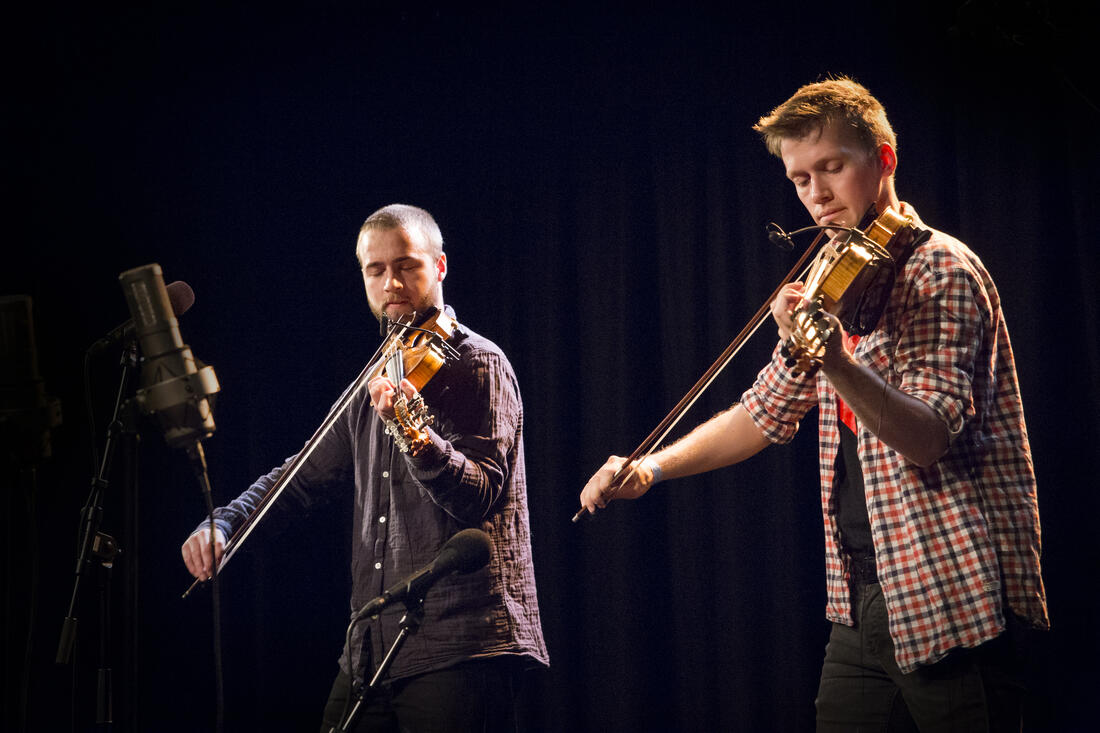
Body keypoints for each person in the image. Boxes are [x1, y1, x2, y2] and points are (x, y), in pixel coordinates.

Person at [579, 78, 1048, 731]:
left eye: (832, 168)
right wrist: (650, 468)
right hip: (857, 604)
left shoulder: (941, 271)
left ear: (883, 159)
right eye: (800, 179)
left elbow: (929, 436)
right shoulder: (831, 279)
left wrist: (833, 357)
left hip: (950, 594)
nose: (817, 196)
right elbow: (762, 412)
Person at [182, 203, 548, 732]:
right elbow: (301, 475)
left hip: (462, 646)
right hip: (375, 650)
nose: (391, 281)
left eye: (406, 265)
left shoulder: (478, 363)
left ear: (439, 267)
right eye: (375, 270)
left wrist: (415, 436)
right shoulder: (375, 379)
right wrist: (226, 521)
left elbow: (479, 494)